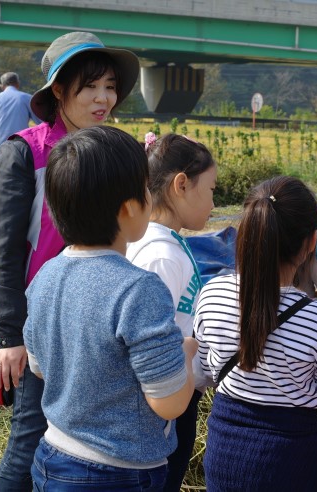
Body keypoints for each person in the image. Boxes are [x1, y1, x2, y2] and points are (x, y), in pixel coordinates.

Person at [0, 31, 139, 491]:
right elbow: (6, 251)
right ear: (58, 90)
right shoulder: (24, 153)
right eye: (90, 86)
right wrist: (11, 336)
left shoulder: (113, 151)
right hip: (44, 324)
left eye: (110, 86)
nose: (103, 98)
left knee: (78, 441)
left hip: (101, 322)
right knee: (29, 437)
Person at [24, 125, 197, 490]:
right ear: (130, 208)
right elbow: (169, 403)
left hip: (52, 457)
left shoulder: (45, 276)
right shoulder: (139, 289)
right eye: (145, 188)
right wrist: (185, 354)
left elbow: (38, 366)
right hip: (117, 472)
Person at [194, 176, 317, 491]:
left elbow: (208, 369)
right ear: (311, 241)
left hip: (225, 455)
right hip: (294, 461)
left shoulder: (212, 294)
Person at [126, 132, 217, 491]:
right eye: (210, 190)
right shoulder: (160, 256)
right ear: (181, 184)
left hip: (172, 394)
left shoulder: (165, 243)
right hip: (163, 403)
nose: (214, 203)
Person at [0, 72, 41, 159]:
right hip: (21, 150)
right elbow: (41, 121)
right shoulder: (27, 98)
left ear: (2, 86)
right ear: (18, 84)